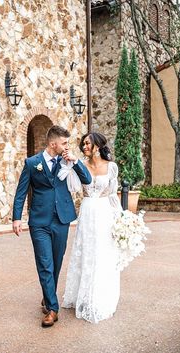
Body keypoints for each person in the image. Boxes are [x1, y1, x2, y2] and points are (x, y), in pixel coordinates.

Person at [12, 125, 92, 328]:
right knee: (45, 263)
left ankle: (47, 297)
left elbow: (87, 180)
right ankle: (53, 309)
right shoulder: (32, 163)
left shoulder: (67, 160)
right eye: (64, 143)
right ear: (52, 143)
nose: (67, 146)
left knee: (56, 262)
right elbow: (22, 191)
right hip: (39, 221)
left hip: (62, 219)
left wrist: (75, 161)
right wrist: (16, 218)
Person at [62, 132, 122, 323]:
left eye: (87, 143)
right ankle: (83, 296)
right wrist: (71, 165)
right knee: (86, 252)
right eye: (83, 144)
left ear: (97, 146)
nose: (84, 147)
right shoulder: (80, 165)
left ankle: (100, 298)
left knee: (103, 254)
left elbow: (113, 195)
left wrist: (121, 218)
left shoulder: (111, 167)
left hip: (104, 213)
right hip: (87, 212)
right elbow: (74, 188)